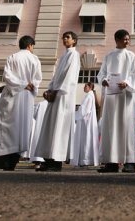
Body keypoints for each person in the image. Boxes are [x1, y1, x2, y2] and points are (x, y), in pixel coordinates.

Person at [0, 36, 42, 171]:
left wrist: (21, 84)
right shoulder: (35, 59)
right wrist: (29, 85)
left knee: (5, 127)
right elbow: (37, 79)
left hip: (12, 95)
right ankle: (11, 162)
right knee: (21, 129)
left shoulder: (12, 57)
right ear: (30, 46)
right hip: (26, 97)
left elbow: (7, 76)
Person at [34, 31, 81, 172]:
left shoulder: (74, 55)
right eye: (64, 37)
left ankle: (56, 161)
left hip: (63, 96)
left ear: (74, 40)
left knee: (60, 127)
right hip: (55, 95)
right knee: (51, 127)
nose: (65, 39)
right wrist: (49, 90)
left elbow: (70, 77)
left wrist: (57, 91)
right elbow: (56, 76)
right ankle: (48, 159)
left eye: (68, 37)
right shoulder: (63, 56)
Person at [97, 29, 135, 173]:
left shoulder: (131, 56)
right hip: (111, 96)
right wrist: (103, 80)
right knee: (111, 127)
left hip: (125, 96)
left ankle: (129, 161)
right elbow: (102, 73)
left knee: (127, 127)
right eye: (125, 39)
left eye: (128, 39)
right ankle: (112, 161)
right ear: (117, 40)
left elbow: (134, 74)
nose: (127, 41)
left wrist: (127, 83)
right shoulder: (109, 56)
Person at [70, 82, 99, 167]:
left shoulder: (89, 96)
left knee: (86, 140)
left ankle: (85, 160)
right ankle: (85, 159)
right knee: (86, 140)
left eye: (85, 86)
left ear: (90, 87)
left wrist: (75, 115)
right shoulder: (90, 95)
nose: (84, 87)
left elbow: (84, 109)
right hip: (86, 121)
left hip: (86, 122)